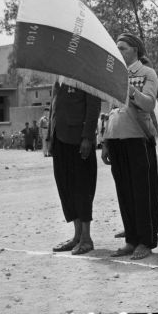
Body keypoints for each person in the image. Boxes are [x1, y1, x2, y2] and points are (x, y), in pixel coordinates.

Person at [101, 33, 158, 261]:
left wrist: (131, 89)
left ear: (135, 49)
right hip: (116, 138)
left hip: (138, 137)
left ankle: (146, 241)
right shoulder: (114, 74)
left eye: (123, 48)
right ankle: (131, 239)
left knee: (142, 192)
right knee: (124, 192)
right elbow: (111, 110)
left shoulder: (147, 73)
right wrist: (105, 141)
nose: (119, 51)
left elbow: (149, 103)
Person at [50, 76, 102, 255]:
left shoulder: (86, 73)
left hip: (78, 140)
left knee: (82, 188)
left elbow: (94, 105)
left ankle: (86, 238)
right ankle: (77, 235)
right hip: (59, 138)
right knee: (66, 187)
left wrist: (88, 136)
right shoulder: (59, 76)